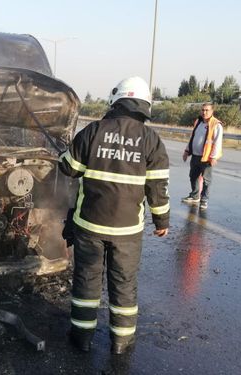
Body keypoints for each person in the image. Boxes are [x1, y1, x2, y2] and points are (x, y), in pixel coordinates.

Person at [58, 76, 170, 354]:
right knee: (124, 285)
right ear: (144, 105)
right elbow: (158, 187)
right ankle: (121, 343)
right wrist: (161, 221)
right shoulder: (151, 140)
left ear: (116, 101)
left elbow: (68, 168)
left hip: (89, 226)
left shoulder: (93, 131)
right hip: (128, 231)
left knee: (87, 280)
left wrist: (63, 154)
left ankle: (82, 339)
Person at [181, 103, 223, 210]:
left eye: (207, 110)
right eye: (203, 110)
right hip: (195, 156)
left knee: (206, 180)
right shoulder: (199, 122)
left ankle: (204, 200)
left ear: (212, 111)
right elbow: (192, 138)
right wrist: (187, 151)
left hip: (206, 158)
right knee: (193, 176)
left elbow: (218, 142)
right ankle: (195, 196)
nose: (204, 112)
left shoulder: (216, 124)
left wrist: (213, 157)